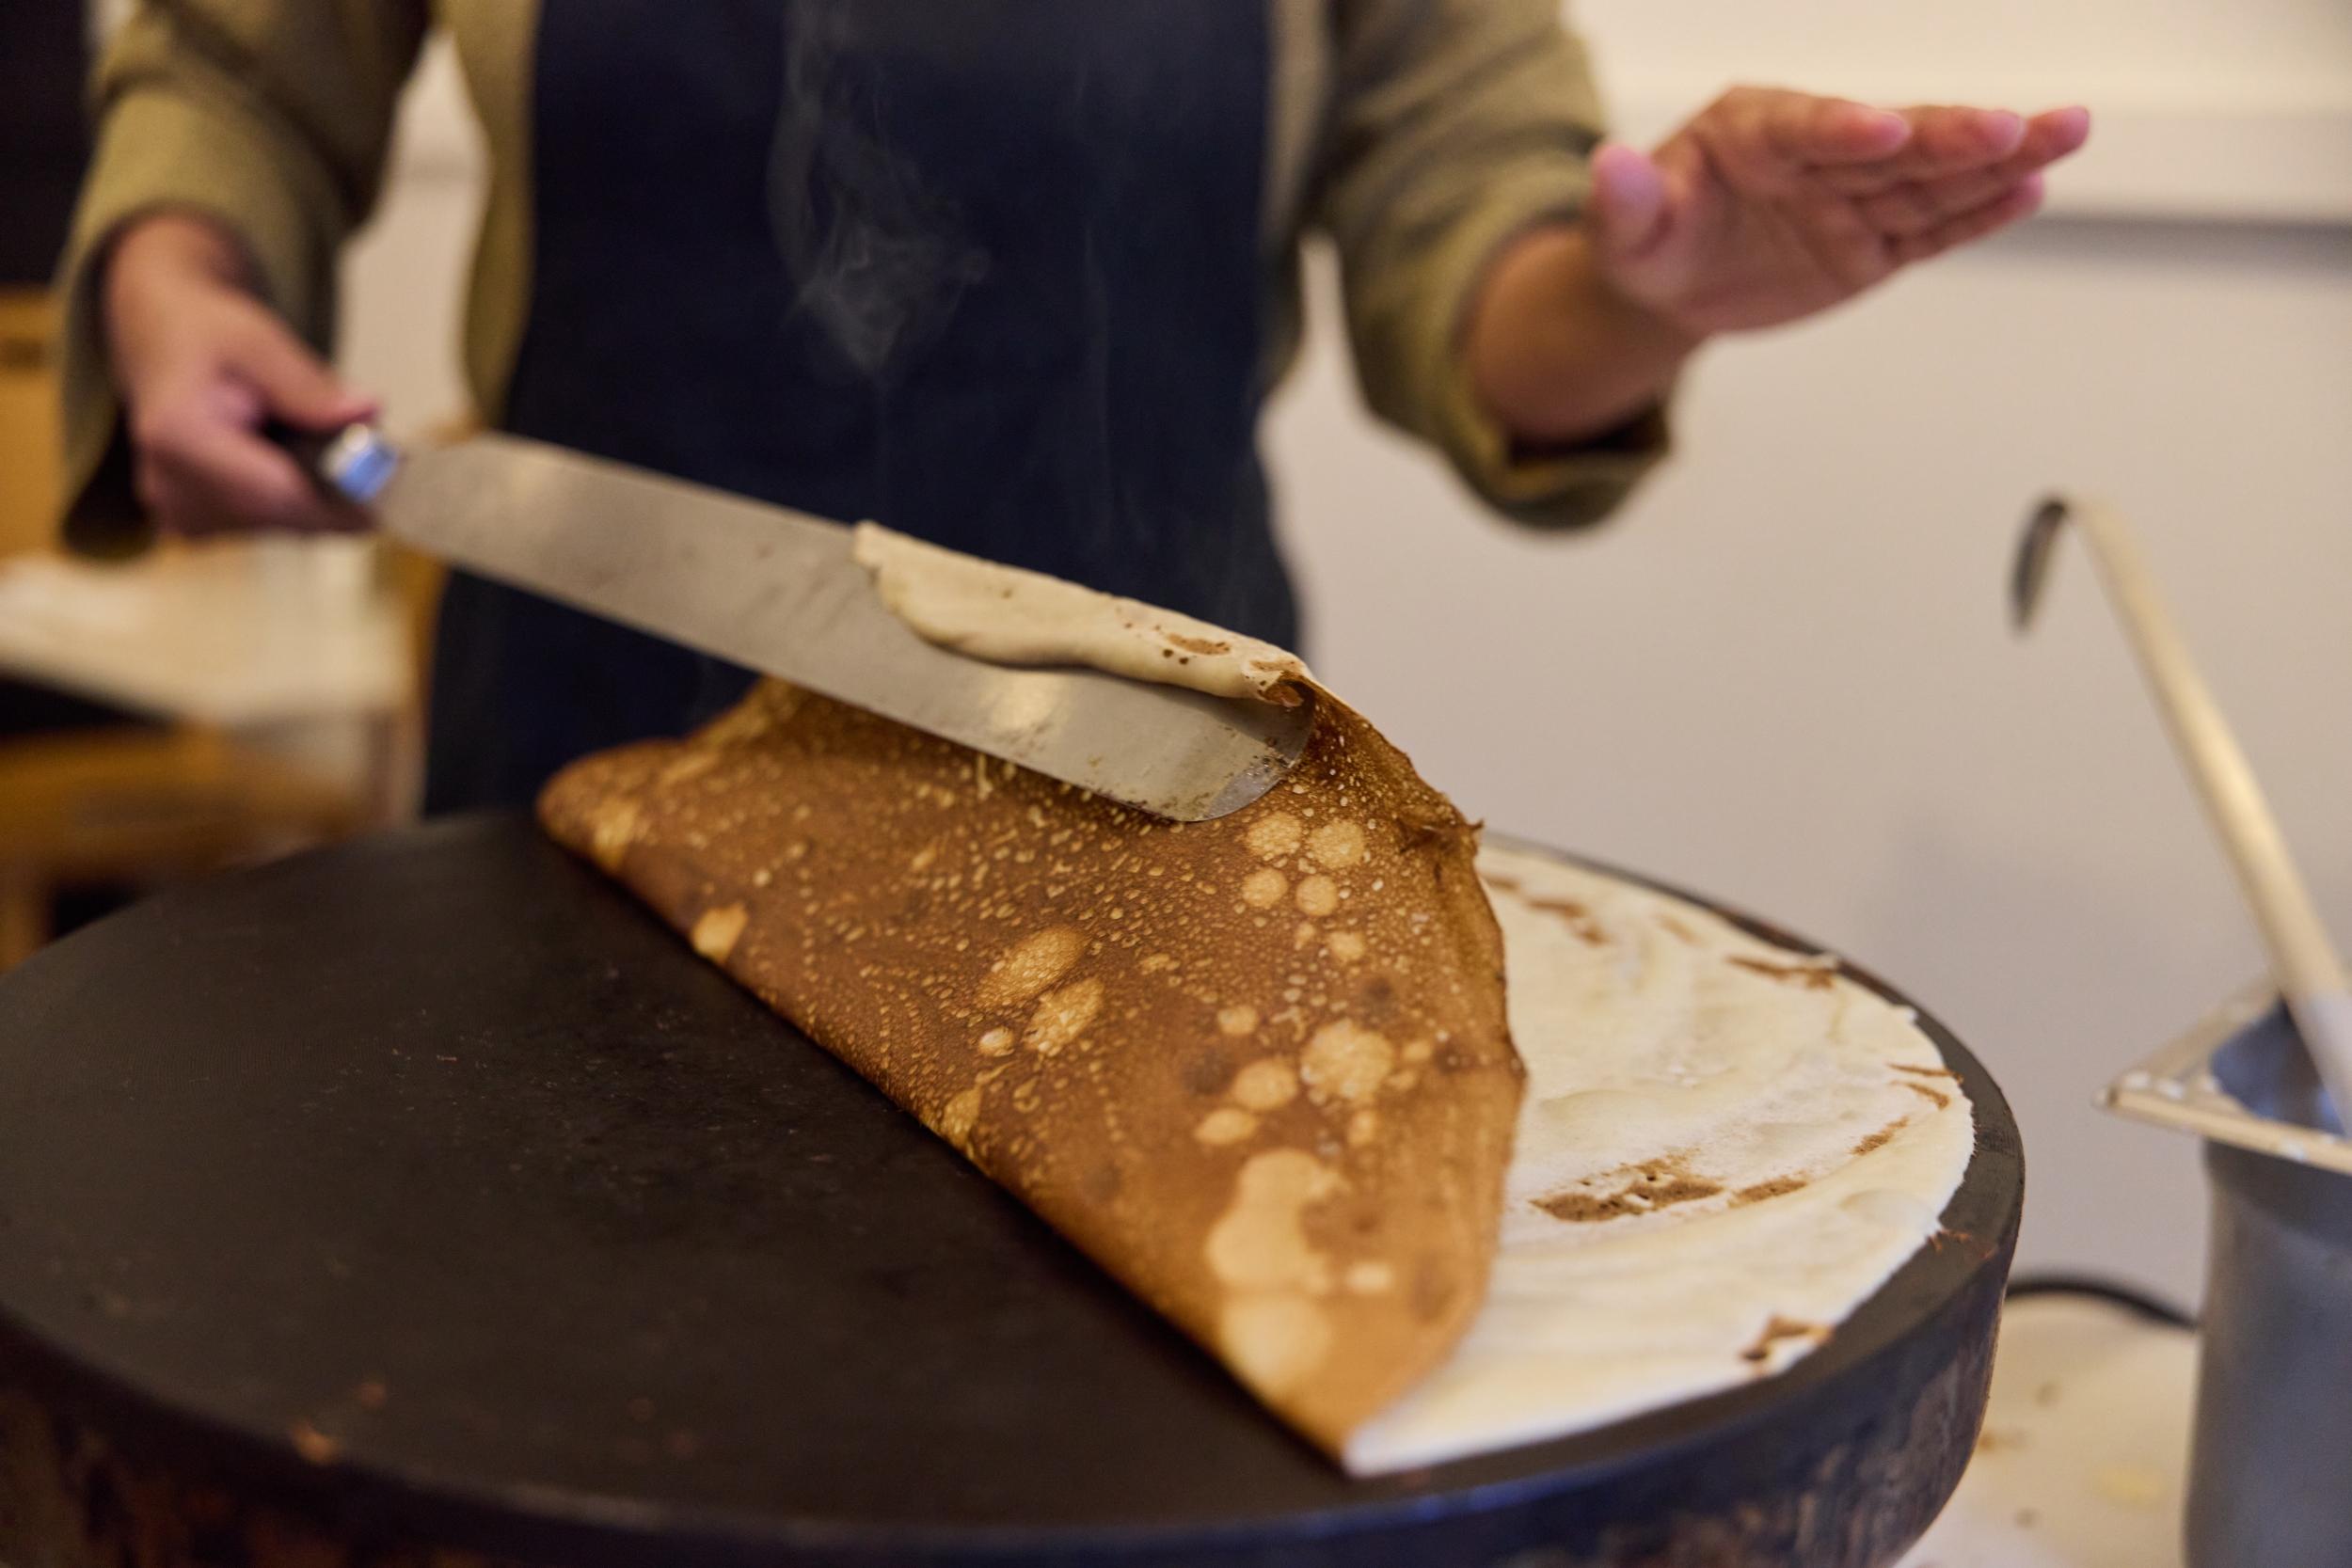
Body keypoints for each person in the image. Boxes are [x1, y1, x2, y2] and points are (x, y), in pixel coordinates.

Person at [59, 2, 2087, 813]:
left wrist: (1648, 293)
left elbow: (1476, 250)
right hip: (581, 760)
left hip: (1138, 781)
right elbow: (236, 72)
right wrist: (176, 278)